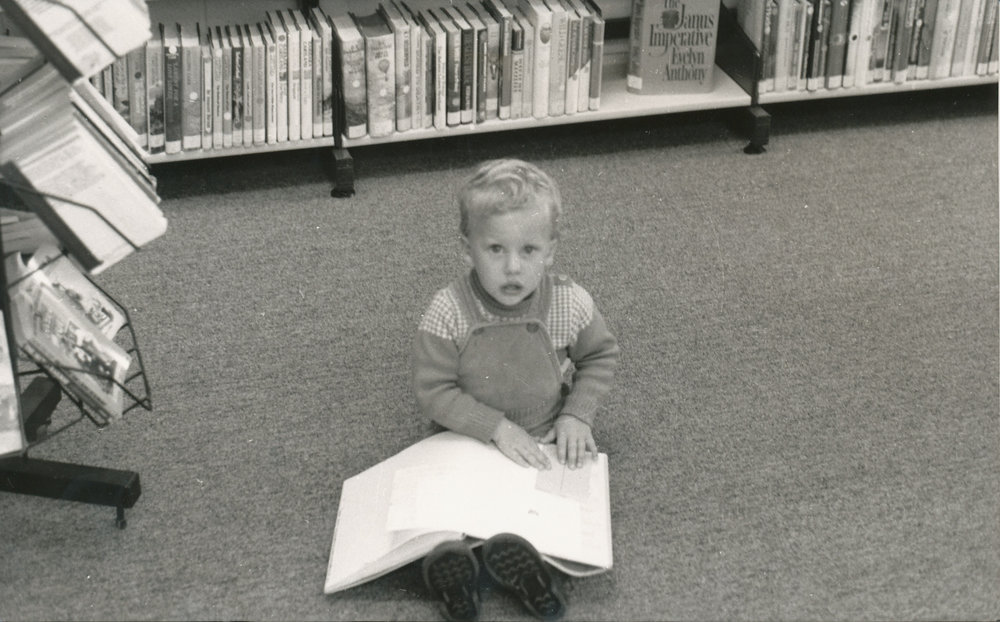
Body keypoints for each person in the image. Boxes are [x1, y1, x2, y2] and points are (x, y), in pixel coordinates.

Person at [412, 159, 620, 621]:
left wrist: (577, 415)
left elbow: (599, 358)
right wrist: (495, 428)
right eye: (494, 249)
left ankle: (538, 576)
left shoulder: (569, 301)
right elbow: (435, 391)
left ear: (551, 251)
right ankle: (457, 575)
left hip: (546, 435)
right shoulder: (447, 312)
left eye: (529, 250)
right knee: (445, 513)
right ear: (467, 250)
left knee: (557, 516)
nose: (512, 267)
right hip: (464, 436)